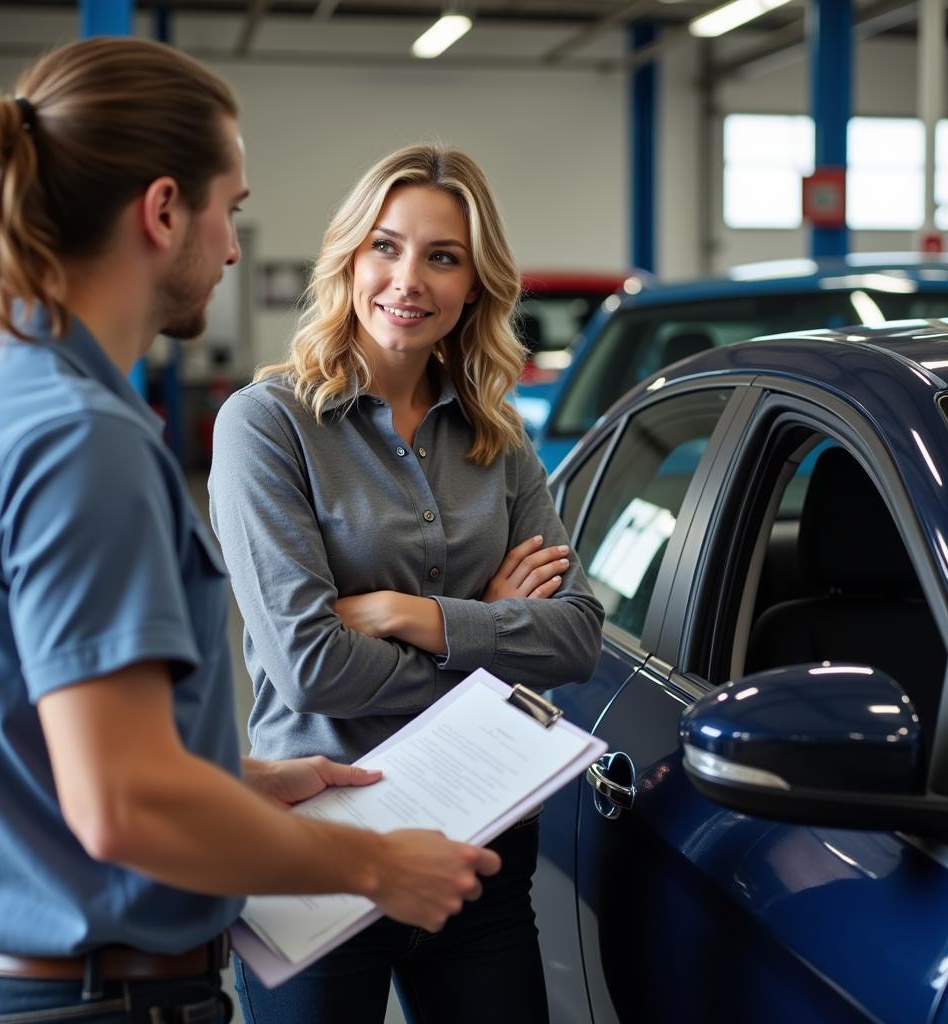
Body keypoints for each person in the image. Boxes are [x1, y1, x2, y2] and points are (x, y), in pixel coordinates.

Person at [0, 41, 502, 1024]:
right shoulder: (82, 438)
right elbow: (125, 804)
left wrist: (237, 779)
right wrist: (373, 862)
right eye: (228, 209)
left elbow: (37, 741)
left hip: (15, 982)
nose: (234, 248)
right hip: (97, 1000)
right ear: (161, 211)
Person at [209, 144, 605, 1024]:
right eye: (385, 247)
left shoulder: (498, 444)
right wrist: (490, 635)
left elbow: (578, 637)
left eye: (443, 256)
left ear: (475, 285)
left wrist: (409, 614)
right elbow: (311, 666)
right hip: (318, 846)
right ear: (349, 257)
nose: (408, 279)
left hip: (481, 848)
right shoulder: (266, 427)